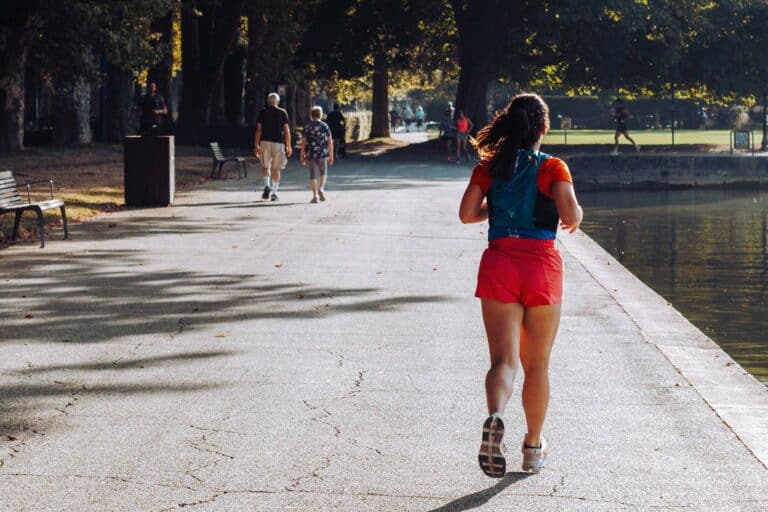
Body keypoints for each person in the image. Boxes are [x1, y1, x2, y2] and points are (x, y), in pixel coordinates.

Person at [458, 93, 583, 477]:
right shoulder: (553, 167)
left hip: (500, 263)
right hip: (541, 267)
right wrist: (575, 215)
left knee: (503, 361)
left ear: (509, 126)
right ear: (543, 128)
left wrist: (494, 212)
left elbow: (466, 215)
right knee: (538, 364)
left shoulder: (490, 167)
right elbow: (570, 214)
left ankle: (496, 414)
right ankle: (532, 447)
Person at [255, 93, 292, 201]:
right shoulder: (282, 112)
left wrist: (256, 144)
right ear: (278, 102)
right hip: (278, 143)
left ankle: (267, 185)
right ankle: (274, 193)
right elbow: (286, 130)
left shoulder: (262, 112)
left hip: (265, 142)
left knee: (265, 166)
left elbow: (259, 130)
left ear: (268, 102)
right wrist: (288, 145)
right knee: (276, 169)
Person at [300, 106, 334, 203]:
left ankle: (315, 196)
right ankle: (321, 188)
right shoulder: (325, 126)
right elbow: (330, 142)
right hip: (322, 153)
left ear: (311, 115)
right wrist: (331, 155)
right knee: (323, 173)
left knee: (312, 175)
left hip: (311, 153)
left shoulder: (307, 126)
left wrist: (302, 155)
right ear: (321, 115)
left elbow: (303, 142)